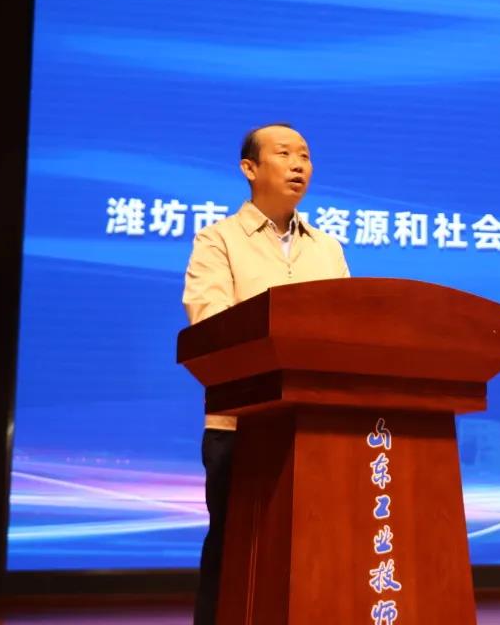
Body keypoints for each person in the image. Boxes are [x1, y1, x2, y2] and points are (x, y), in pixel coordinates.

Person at [181, 123, 350, 625]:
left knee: (313, 554)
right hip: (241, 426)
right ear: (249, 168)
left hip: (316, 430)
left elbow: (350, 328)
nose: (299, 164)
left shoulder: (328, 248)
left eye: (305, 155)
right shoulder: (218, 240)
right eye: (284, 153)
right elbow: (210, 323)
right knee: (235, 552)